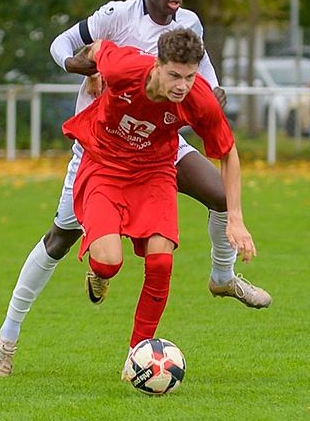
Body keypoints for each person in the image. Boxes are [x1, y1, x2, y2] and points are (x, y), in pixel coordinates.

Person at [0, 0, 270, 377]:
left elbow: (209, 87)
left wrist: (210, 98)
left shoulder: (189, 28)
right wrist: (85, 69)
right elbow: (76, 46)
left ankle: (220, 279)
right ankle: (7, 340)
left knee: (216, 202)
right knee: (62, 241)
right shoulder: (118, 22)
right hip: (102, 151)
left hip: (160, 151)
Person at [61, 29, 254, 377]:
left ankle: (136, 356)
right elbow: (96, 48)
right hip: (105, 165)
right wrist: (91, 71)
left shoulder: (199, 98)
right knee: (108, 263)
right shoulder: (124, 67)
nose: (182, 85)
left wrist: (236, 218)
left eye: (190, 76)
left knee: (162, 261)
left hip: (155, 171)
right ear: (157, 65)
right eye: (175, 75)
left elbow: (228, 153)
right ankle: (99, 273)